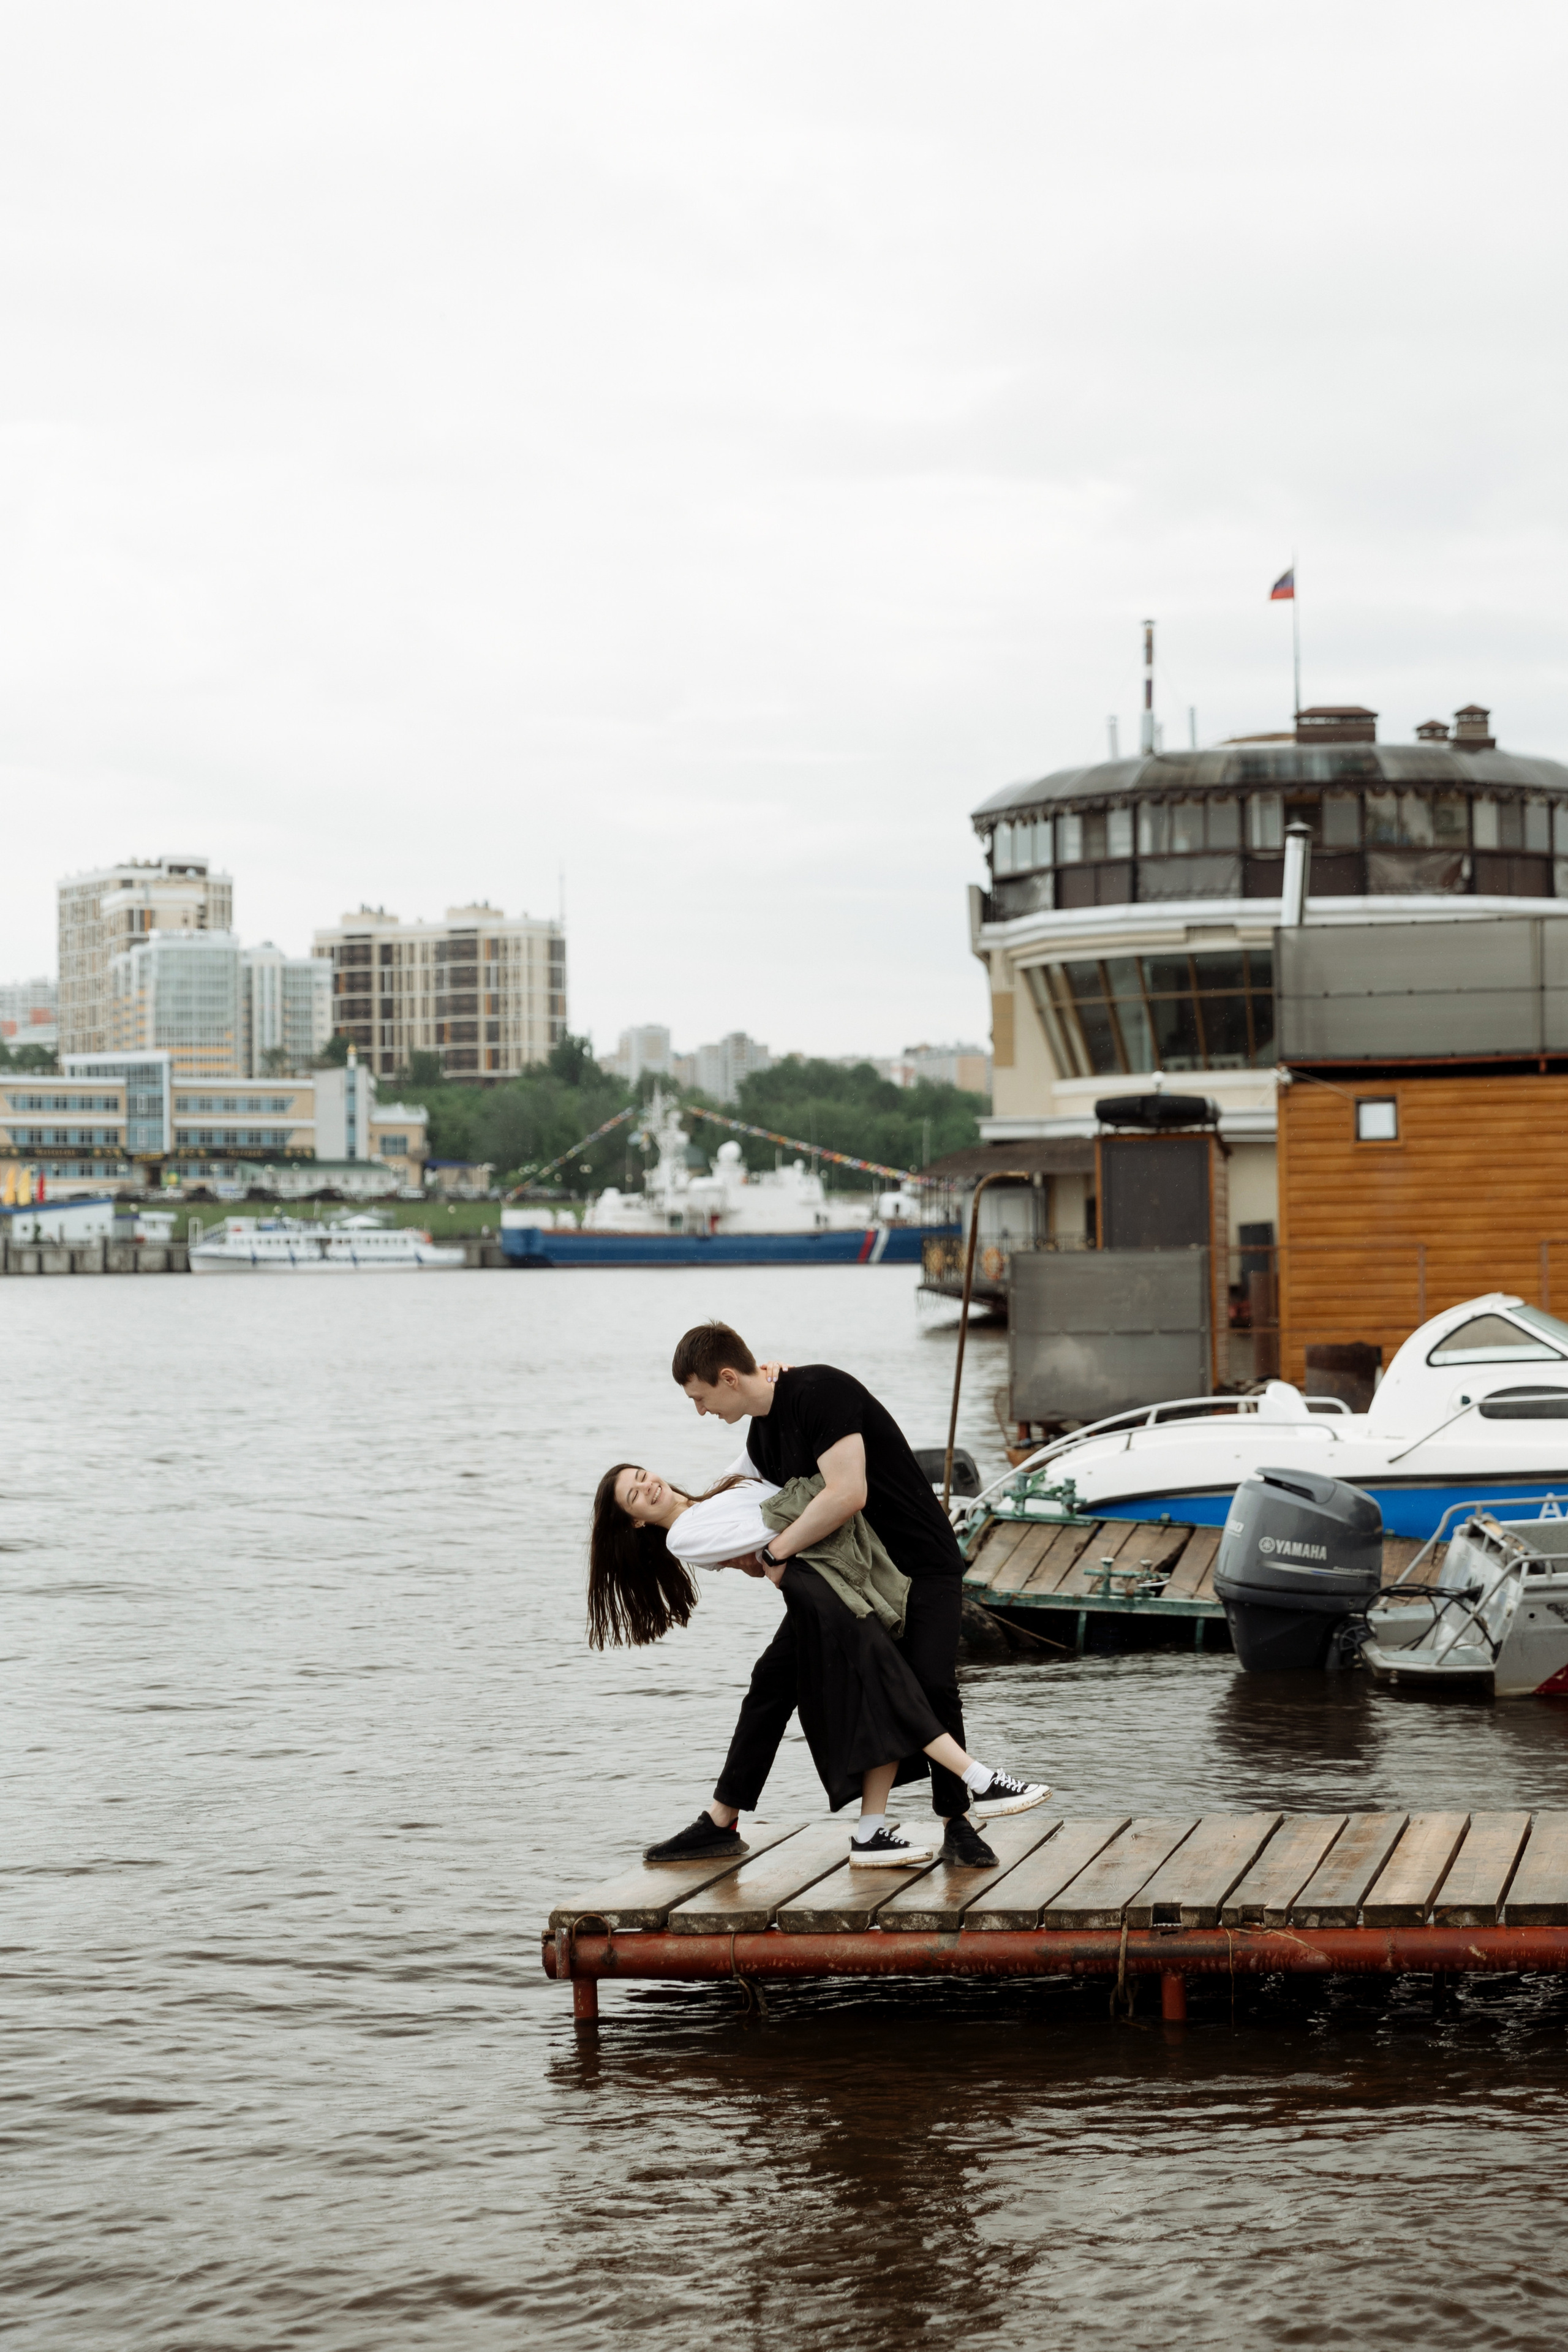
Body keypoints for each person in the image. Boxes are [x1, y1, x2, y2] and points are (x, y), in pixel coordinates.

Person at [643, 1319, 1046, 1869]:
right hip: (855, 1575)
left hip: (919, 1563)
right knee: (773, 1681)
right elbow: (745, 1507)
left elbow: (848, 1493)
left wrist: (775, 1554)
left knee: (930, 1684)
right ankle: (726, 1821)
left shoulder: (820, 1391)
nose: (700, 1411)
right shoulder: (761, 1436)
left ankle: (956, 1824)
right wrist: (719, 1548)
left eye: (700, 1397)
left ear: (729, 1378)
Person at [589, 1459, 1047, 1864]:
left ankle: (852, 1830)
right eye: (635, 1494)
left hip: (829, 1568)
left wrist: (775, 1382)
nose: (648, 1486)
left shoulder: (719, 1489)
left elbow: (757, 1452)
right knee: (885, 1678)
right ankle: (978, 1780)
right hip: (815, 1578)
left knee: (781, 1683)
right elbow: (772, 1532)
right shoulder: (685, 1535)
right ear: (634, 1522)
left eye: (642, 1474)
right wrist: (811, 1511)